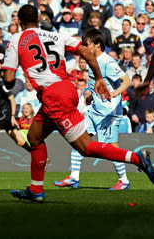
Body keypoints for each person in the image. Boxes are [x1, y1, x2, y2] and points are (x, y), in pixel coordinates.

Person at [2, 5, 154, 203]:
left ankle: (137, 159)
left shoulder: (16, 40)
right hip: (66, 89)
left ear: (19, 22)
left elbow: (8, 78)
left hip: (54, 96)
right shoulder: (55, 36)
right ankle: (36, 189)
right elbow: (86, 51)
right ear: (39, 19)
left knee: (86, 147)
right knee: (34, 137)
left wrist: (10, 76)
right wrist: (99, 77)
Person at [54, 29, 132, 191]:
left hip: (108, 113)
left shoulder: (107, 62)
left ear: (97, 45)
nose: (84, 47)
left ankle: (124, 180)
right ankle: (74, 177)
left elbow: (127, 81)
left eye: (87, 44)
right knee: (78, 138)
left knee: (110, 147)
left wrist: (114, 93)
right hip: (94, 110)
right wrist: (90, 95)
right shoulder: (92, 61)